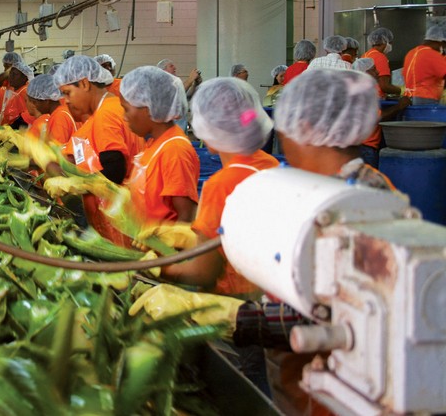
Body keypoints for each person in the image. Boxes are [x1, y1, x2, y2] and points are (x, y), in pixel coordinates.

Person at [269, 68, 398, 416]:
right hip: (299, 370)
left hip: (337, 381)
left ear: (308, 129)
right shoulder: (315, 186)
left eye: (286, 125)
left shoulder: (364, 199)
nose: (281, 135)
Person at [161, 77, 276, 296]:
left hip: (232, 300)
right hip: (265, 294)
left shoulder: (221, 186)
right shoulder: (271, 164)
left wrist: (161, 269)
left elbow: (204, 273)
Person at [53, 55, 142, 246]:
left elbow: (115, 168)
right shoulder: (109, 110)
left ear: (85, 84)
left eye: (68, 93)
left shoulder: (106, 115)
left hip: (119, 223)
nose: (66, 101)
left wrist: (77, 184)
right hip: (118, 219)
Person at [119, 66, 199, 224]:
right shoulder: (154, 144)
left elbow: (185, 217)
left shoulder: (174, 150)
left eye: (126, 109)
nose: (124, 117)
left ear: (148, 109)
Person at [352, 57, 411, 168]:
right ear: (365, 73)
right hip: (365, 147)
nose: (378, 72)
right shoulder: (364, 92)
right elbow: (378, 117)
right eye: (373, 69)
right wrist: (400, 106)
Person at [402, 19, 446, 105]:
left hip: (408, 98)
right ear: (440, 42)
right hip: (425, 99)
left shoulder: (412, 52)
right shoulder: (432, 54)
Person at [25, 74, 66, 142]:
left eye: (35, 102)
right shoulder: (60, 112)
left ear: (47, 101)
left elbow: (57, 150)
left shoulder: (59, 117)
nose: (34, 106)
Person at [365, 27, 402, 97]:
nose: (391, 45)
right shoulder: (380, 57)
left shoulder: (366, 54)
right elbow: (384, 86)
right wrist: (402, 90)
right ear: (384, 42)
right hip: (377, 99)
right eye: (390, 43)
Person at [0, 62, 35, 128]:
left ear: (25, 77)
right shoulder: (15, 90)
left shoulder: (25, 92)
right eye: (10, 73)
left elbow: (26, 119)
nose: (11, 77)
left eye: (15, 74)